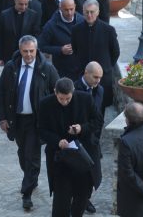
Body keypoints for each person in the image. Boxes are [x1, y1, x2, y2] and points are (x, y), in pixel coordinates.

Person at [0, 36, 59, 211]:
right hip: (16, 119)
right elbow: (0, 93)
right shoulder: (11, 67)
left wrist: (53, 120)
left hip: (36, 121)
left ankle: (27, 193)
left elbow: (57, 94)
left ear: (36, 50)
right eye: (25, 51)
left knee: (32, 156)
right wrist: (2, 118)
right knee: (23, 154)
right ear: (20, 50)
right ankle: (31, 177)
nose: (29, 54)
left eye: (32, 51)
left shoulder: (47, 68)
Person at [38, 77, 99, 217]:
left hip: (82, 156)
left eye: (68, 98)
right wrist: (57, 141)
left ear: (73, 92)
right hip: (59, 157)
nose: (64, 102)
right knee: (61, 197)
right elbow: (41, 129)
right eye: (61, 98)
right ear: (55, 92)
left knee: (82, 194)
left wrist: (81, 128)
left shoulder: (85, 100)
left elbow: (97, 121)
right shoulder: (45, 104)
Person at [71, 0, 119, 107]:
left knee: (101, 106)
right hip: (83, 75)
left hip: (102, 76)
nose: (89, 15)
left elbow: (115, 52)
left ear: (97, 12)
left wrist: (106, 67)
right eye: (86, 12)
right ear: (82, 12)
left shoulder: (108, 30)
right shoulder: (76, 30)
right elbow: (75, 50)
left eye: (92, 12)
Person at [74, 62, 104, 213]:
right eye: (95, 77)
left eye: (100, 77)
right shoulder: (74, 89)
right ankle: (81, 200)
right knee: (80, 173)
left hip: (92, 139)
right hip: (78, 138)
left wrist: (96, 137)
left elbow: (100, 116)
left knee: (93, 174)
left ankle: (84, 199)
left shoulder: (100, 90)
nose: (98, 80)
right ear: (86, 73)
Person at [0, 0, 41, 65]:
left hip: (27, 54)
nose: (23, 7)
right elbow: (0, 37)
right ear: (15, 1)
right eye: (21, 4)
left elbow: (36, 36)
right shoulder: (4, 15)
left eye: (26, 4)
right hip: (9, 54)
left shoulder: (33, 15)